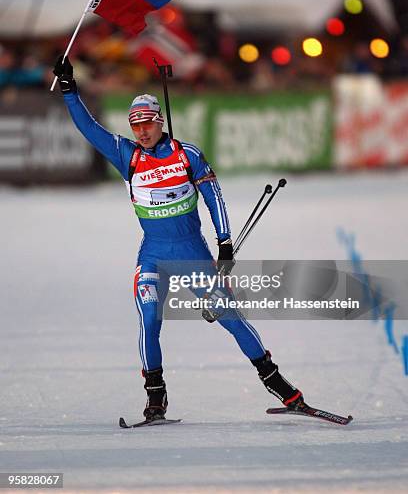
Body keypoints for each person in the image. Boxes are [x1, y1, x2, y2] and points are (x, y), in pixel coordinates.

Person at [53, 56, 305, 421]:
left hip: (193, 254)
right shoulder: (128, 156)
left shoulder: (187, 155)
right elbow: (89, 129)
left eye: (147, 124)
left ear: (160, 121)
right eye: (134, 125)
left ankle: (284, 390)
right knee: (149, 318)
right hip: (153, 255)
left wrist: (224, 242)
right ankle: (156, 399)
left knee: (231, 318)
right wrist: (70, 91)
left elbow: (213, 196)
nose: (141, 131)